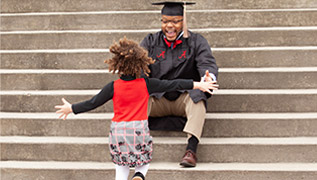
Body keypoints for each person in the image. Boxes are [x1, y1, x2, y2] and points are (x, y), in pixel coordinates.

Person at [55, 38, 218, 180]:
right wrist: (198, 84)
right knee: (143, 162)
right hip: (138, 129)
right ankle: (139, 176)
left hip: (118, 131)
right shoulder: (146, 84)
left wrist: (72, 108)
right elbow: (173, 84)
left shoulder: (112, 87)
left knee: (121, 166)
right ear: (140, 64)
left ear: (117, 65)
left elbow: (93, 102)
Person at [140, 1, 219, 167]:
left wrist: (208, 77)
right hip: (158, 98)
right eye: (165, 21)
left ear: (184, 21)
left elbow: (207, 63)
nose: (169, 26)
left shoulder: (196, 41)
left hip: (183, 98)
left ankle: (191, 150)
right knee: (137, 96)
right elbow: (139, 67)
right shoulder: (150, 41)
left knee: (198, 98)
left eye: (175, 21)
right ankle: (135, 147)